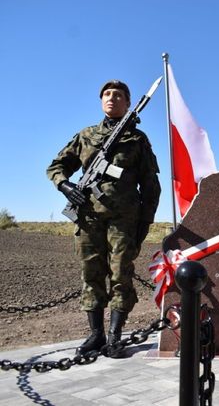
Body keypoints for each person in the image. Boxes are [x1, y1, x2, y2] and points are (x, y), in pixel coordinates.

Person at [47, 80, 161, 358]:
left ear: (127, 102)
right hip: (88, 217)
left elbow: (151, 186)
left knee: (121, 274)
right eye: (107, 94)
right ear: (101, 101)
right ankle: (95, 334)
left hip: (123, 220)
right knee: (91, 274)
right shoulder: (86, 136)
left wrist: (143, 224)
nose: (112, 98)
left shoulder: (137, 139)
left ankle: (114, 336)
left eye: (118, 95)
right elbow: (57, 166)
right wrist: (66, 185)